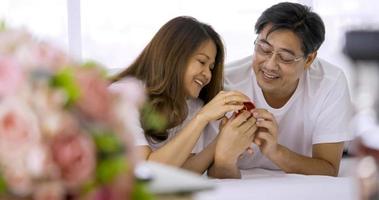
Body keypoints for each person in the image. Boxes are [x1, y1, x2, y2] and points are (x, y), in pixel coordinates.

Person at [208, 2, 353, 178]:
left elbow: (329, 170)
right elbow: (211, 172)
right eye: (264, 49)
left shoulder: (329, 82)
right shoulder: (226, 82)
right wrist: (226, 156)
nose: (270, 65)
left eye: (285, 58)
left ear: (309, 60)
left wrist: (275, 151)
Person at [112, 16, 256, 174]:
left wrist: (221, 139)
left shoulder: (191, 104)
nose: (208, 75)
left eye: (211, 67)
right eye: (202, 62)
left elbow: (186, 172)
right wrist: (201, 118)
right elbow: (147, 172)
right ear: (173, 56)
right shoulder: (122, 96)